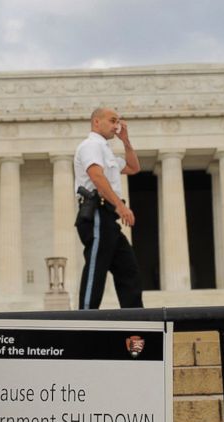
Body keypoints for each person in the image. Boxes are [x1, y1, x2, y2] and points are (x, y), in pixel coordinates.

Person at [74, 107, 144, 309]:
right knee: (96, 270)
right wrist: (120, 205)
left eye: (118, 122)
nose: (116, 126)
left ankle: (136, 324)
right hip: (96, 212)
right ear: (96, 122)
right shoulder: (90, 146)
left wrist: (126, 141)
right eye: (112, 121)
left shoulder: (105, 150)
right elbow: (97, 177)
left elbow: (133, 167)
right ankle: (85, 321)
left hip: (107, 218)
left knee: (128, 270)